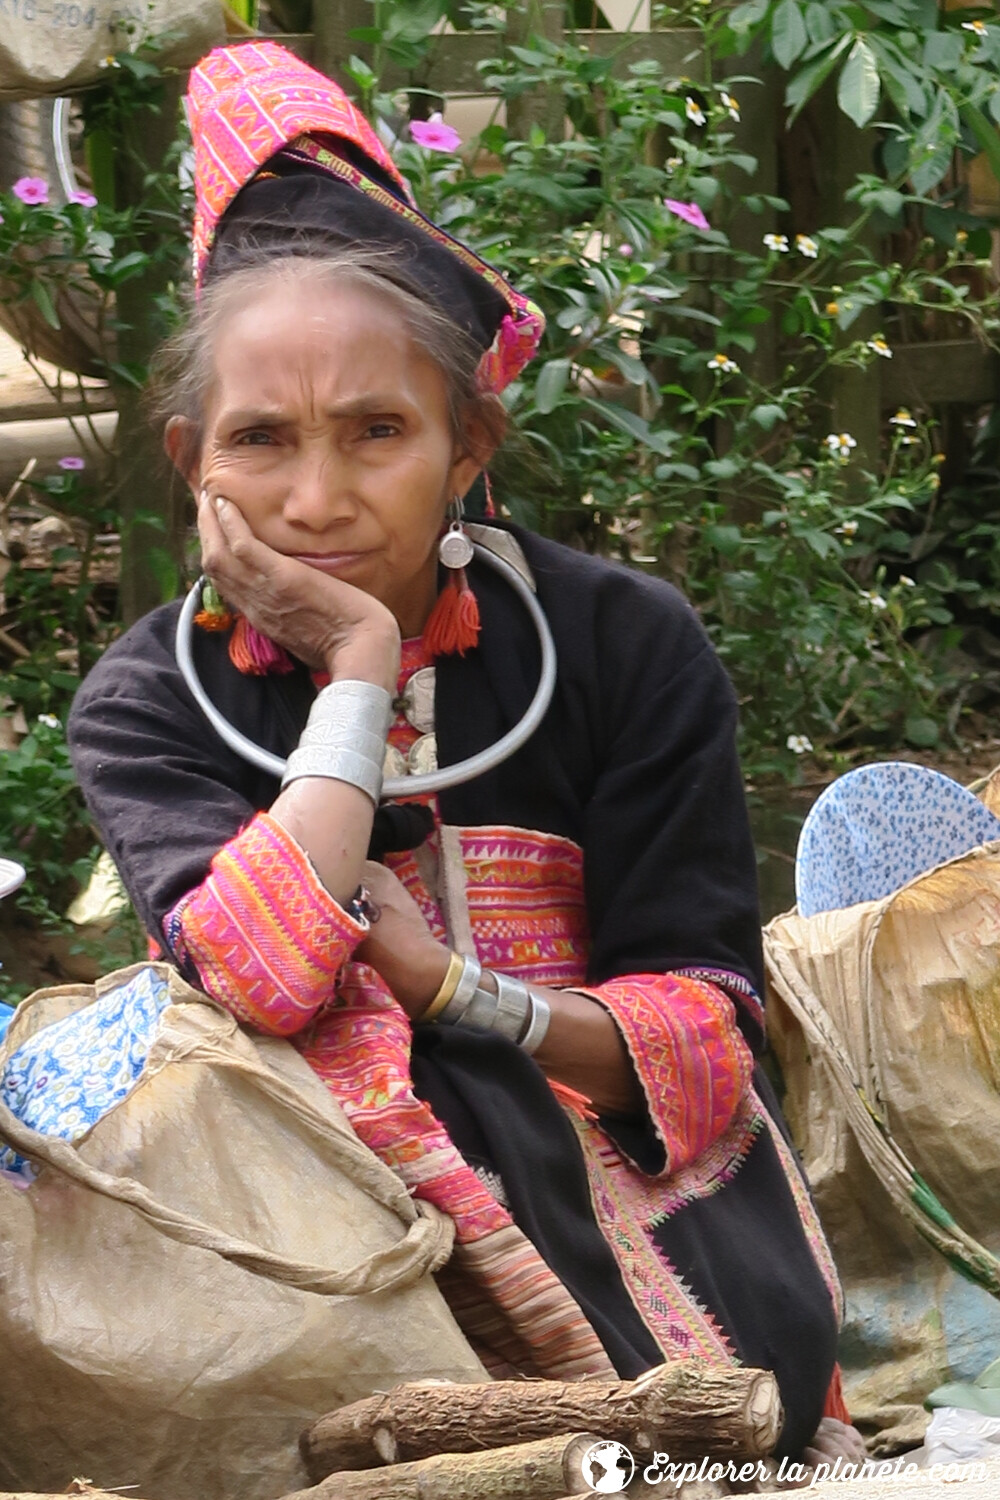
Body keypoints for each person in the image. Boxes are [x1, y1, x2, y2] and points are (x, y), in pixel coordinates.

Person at [68, 41, 856, 1462]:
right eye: (261, 440)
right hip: (300, 1246)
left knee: (702, 1429)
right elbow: (263, 972)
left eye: (377, 431)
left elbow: (708, 1046)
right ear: (193, 466)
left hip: (648, 1238)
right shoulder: (147, 701)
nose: (315, 498)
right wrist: (361, 668)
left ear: (467, 440)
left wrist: (464, 998)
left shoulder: (624, 643)